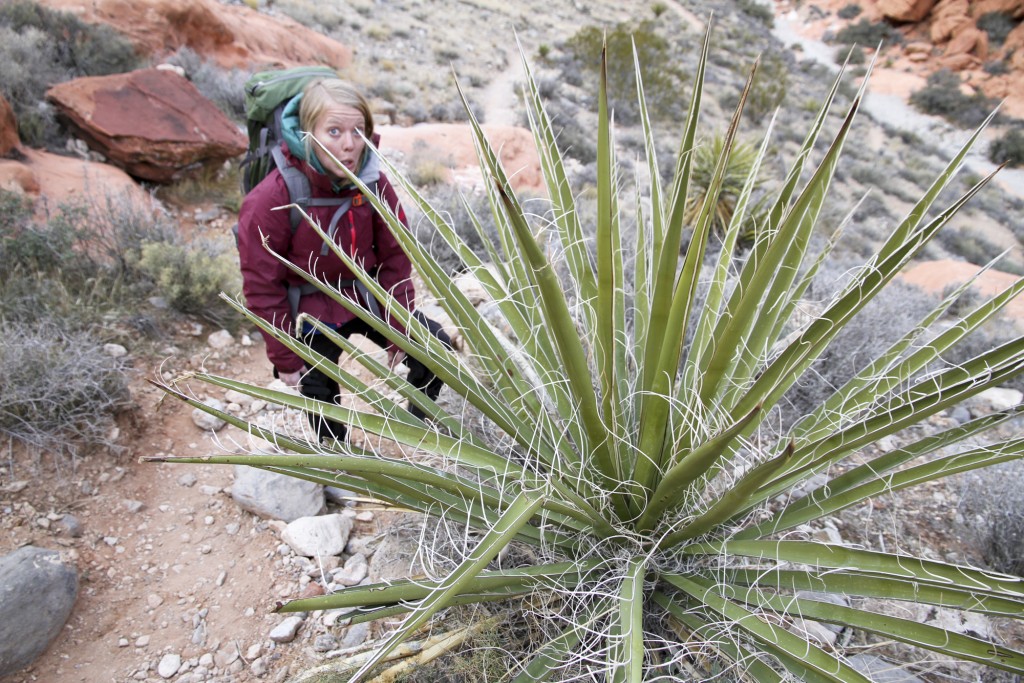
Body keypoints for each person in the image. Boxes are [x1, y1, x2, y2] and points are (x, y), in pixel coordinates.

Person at [237, 78, 450, 443]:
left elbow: (395, 257)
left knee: (435, 348)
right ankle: (337, 455)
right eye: (334, 131)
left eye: (358, 130)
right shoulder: (273, 195)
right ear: (307, 133)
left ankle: (417, 426)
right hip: (309, 306)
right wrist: (285, 357)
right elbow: (261, 284)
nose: (349, 144)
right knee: (316, 384)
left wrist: (400, 331)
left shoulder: (374, 183)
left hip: (364, 294)